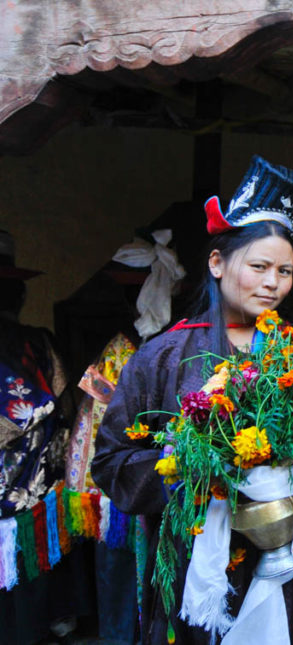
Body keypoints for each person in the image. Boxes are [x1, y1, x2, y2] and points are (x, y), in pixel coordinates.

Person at [91, 156, 293, 644]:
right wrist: (179, 461)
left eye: (285, 271)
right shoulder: (162, 357)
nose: (273, 283)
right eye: (260, 266)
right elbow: (112, 461)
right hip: (204, 557)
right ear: (218, 263)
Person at [0, 230, 94, 644]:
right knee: (28, 608)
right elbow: (66, 416)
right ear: (18, 297)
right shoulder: (41, 345)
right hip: (31, 506)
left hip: (24, 505)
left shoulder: (40, 344)